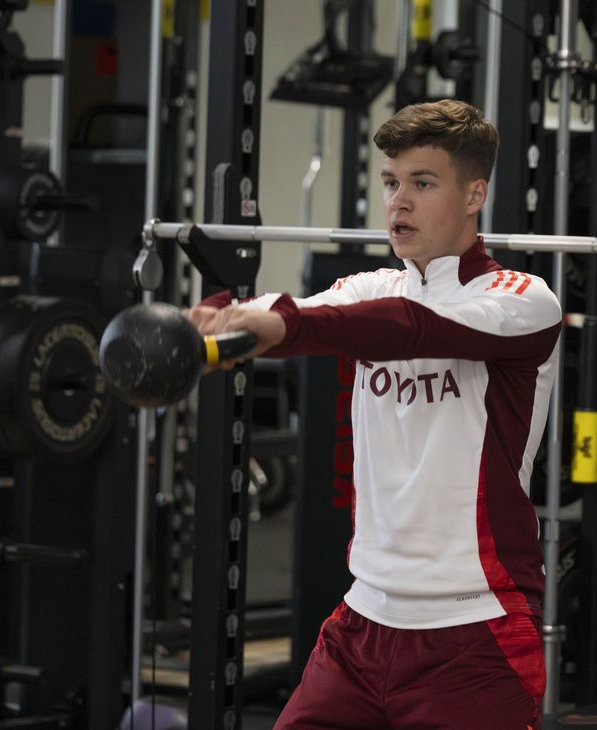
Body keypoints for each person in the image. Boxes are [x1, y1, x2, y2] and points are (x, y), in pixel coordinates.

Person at [191, 99, 561, 729]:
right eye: (391, 183)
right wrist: (217, 325)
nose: (399, 202)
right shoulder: (370, 288)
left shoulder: (522, 300)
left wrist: (276, 322)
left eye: (423, 183)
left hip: (475, 635)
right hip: (362, 628)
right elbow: (303, 319)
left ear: (475, 194)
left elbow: (411, 328)